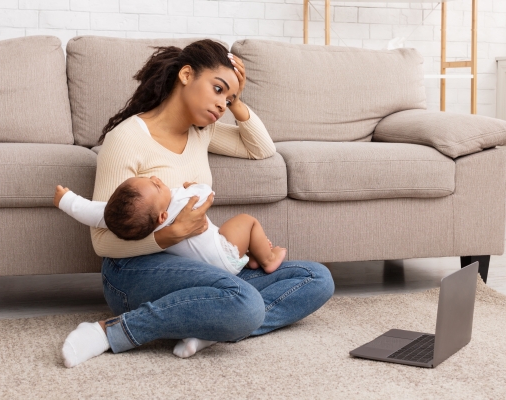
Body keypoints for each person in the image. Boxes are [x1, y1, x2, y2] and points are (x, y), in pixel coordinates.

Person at [60, 39, 334, 368]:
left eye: (228, 98)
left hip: (204, 267)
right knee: (246, 304)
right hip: (133, 272)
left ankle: (211, 324)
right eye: (218, 90)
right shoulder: (127, 139)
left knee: (316, 279)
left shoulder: (202, 131)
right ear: (187, 75)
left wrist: (237, 102)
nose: (222, 105)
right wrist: (170, 234)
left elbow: (260, 148)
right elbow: (101, 241)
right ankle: (110, 333)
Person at [53, 177, 287, 275]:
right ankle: (268, 259)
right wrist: (193, 185)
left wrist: (68, 200)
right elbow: (206, 193)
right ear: (162, 217)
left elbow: (95, 213)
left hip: (207, 269)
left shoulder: (132, 219)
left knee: (229, 232)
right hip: (224, 254)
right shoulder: (180, 202)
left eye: (148, 179)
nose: (156, 178)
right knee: (246, 221)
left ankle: (252, 256)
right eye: (155, 185)